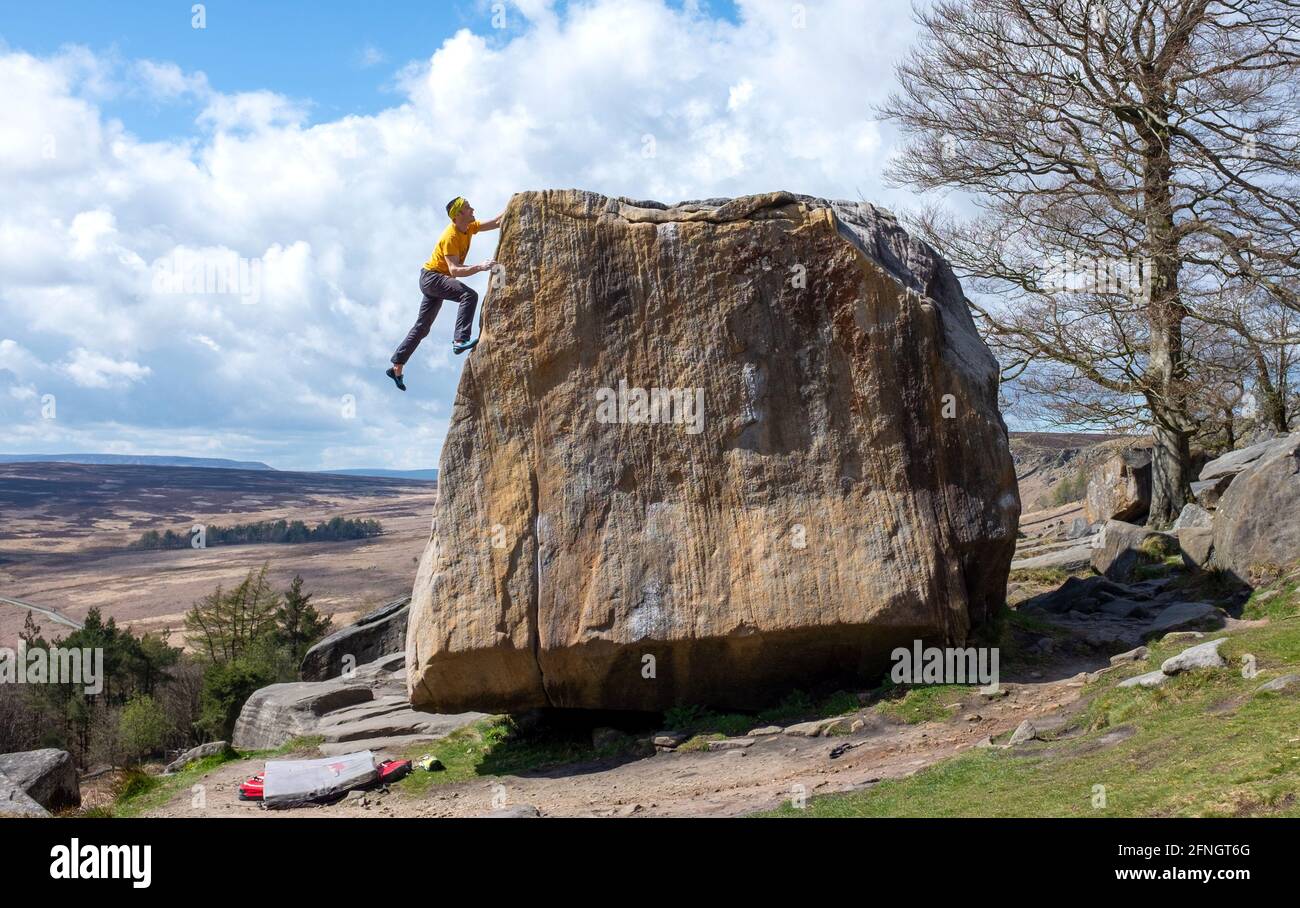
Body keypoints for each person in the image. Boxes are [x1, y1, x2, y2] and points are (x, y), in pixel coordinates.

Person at [386, 196, 503, 390]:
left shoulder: (469, 226)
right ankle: (460, 340)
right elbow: (455, 270)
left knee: (422, 327)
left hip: (435, 279)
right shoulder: (450, 237)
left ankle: (396, 366)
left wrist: (515, 203)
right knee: (469, 295)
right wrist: (481, 267)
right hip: (432, 278)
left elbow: (497, 222)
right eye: (468, 208)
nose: (473, 209)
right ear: (458, 215)